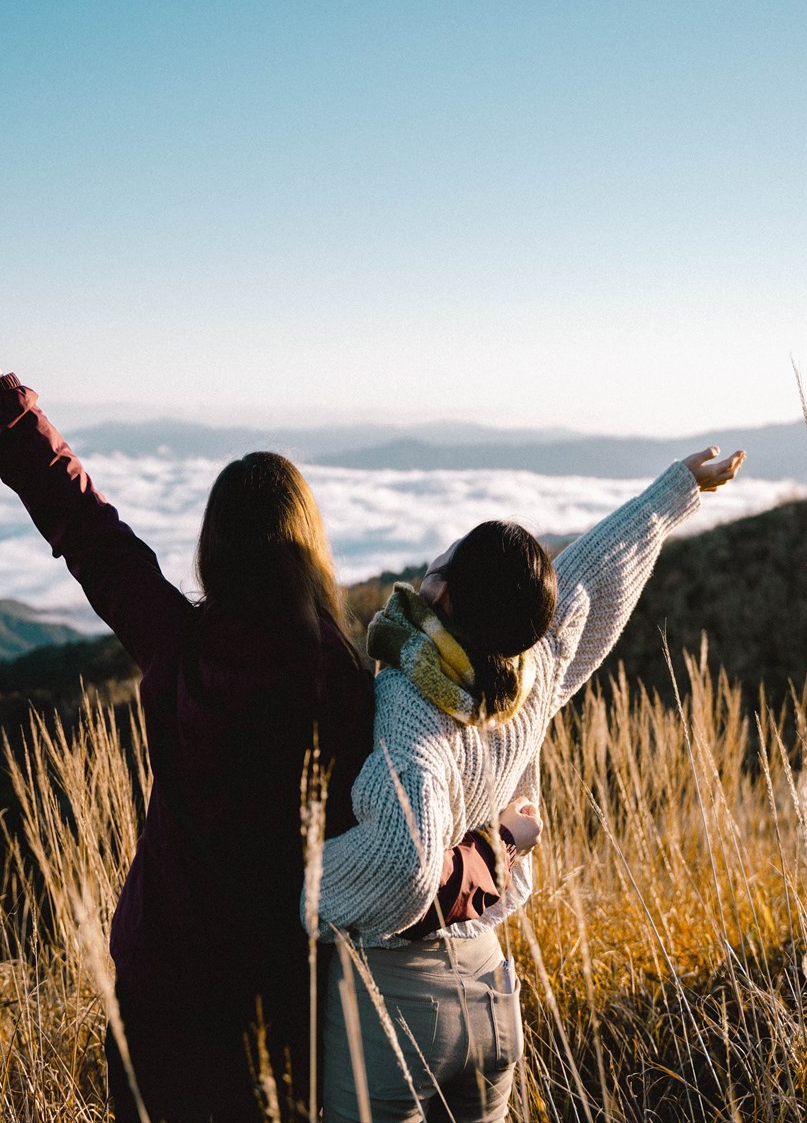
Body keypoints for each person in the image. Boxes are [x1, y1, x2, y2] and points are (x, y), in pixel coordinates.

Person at [0, 346, 532, 1123]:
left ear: (213, 548)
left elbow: (87, 531)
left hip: (162, 986)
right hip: (285, 1000)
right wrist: (493, 851)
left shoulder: (177, 646)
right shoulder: (352, 691)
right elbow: (401, 869)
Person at [310, 444, 744, 1122]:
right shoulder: (530, 669)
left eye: (449, 555)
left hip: (398, 1008)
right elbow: (590, 579)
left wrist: (303, 883)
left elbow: (402, 861)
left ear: (443, 592)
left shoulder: (411, 703)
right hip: (489, 989)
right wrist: (674, 494)